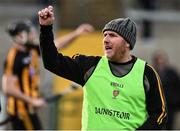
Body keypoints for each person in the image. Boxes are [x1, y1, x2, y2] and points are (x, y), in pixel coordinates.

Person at [38, 6, 167, 130]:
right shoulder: (89, 66)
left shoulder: (147, 73)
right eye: (105, 35)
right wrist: (46, 29)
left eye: (112, 35)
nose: (105, 39)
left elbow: (160, 115)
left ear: (127, 42)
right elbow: (51, 62)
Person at [2, 20, 47, 130]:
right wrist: (32, 101)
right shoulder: (14, 56)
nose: (34, 35)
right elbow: (8, 88)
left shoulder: (31, 49)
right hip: (20, 112)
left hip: (29, 110)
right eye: (30, 32)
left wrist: (76, 33)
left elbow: (54, 46)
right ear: (21, 36)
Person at [152, 50, 180, 130]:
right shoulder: (152, 72)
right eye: (158, 59)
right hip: (157, 106)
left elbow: (177, 87)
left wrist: (176, 102)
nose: (160, 61)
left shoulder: (172, 73)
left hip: (170, 105)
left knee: (169, 125)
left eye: (162, 59)